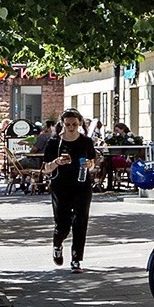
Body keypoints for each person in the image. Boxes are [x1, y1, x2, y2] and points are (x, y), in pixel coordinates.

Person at [41, 109, 100, 270]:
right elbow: (45, 168)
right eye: (68, 124)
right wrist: (57, 162)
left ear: (80, 123)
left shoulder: (86, 142)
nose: (71, 128)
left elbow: (92, 162)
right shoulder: (55, 142)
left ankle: (76, 259)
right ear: (63, 124)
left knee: (81, 221)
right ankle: (57, 245)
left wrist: (89, 165)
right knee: (63, 223)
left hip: (82, 185)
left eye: (74, 124)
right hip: (60, 186)